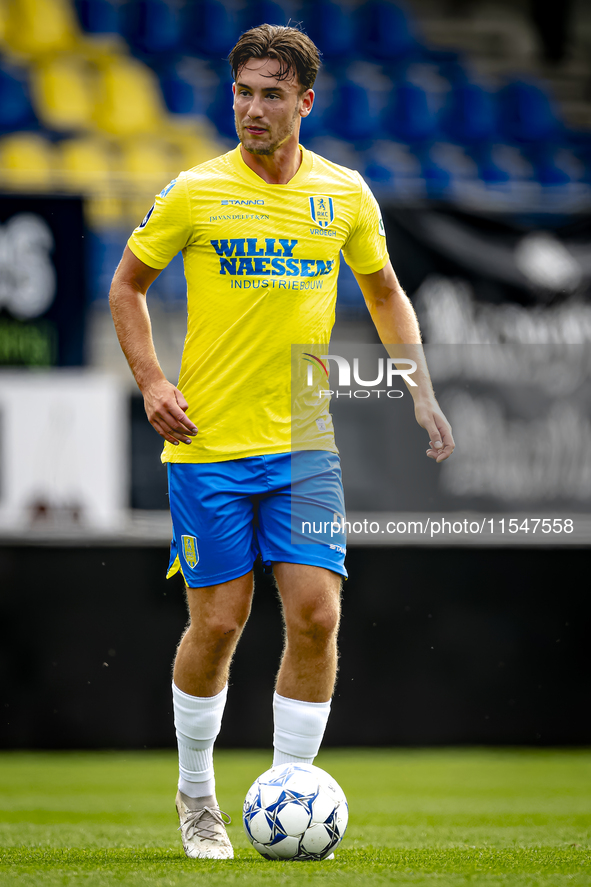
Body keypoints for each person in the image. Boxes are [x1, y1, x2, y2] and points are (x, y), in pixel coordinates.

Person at [109, 23, 454, 861]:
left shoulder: (343, 194)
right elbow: (127, 286)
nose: (252, 108)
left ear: (305, 101)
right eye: (241, 91)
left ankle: (284, 790)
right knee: (220, 623)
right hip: (208, 448)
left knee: (315, 612)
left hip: (303, 443)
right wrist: (153, 382)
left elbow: (384, 290)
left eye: (270, 94)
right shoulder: (194, 190)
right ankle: (196, 791)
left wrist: (420, 388)